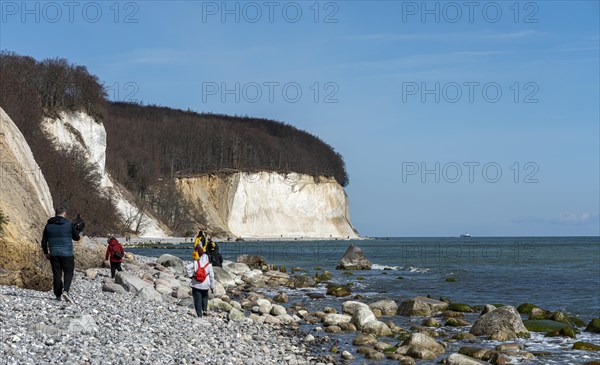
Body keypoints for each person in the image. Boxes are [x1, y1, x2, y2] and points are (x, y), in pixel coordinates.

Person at [41, 206, 80, 303]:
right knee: (68, 273)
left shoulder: (48, 225)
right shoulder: (68, 224)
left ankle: (58, 295)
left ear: (55, 213)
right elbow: (77, 238)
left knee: (57, 274)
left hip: (54, 253)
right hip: (67, 253)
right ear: (65, 213)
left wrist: (46, 252)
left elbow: (44, 241)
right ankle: (65, 291)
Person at [186, 246, 215, 317]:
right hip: (205, 284)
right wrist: (212, 286)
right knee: (205, 297)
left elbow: (187, 267)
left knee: (197, 300)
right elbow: (212, 276)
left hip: (196, 284)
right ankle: (204, 310)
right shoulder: (209, 265)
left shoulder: (196, 262)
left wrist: (190, 275)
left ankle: (199, 315)